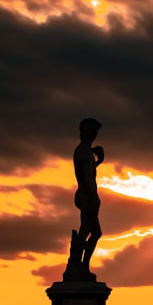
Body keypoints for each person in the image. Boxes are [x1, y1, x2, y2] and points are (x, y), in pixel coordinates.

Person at [68, 117, 104, 279]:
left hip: (86, 196)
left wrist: (99, 162)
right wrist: (93, 198)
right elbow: (86, 177)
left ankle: (81, 266)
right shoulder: (83, 151)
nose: (93, 135)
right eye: (92, 132)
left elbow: (88, 171)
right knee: (88, 231)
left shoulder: (86, 151)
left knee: (93, 231)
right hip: (87, 197)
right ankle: (79, 266)